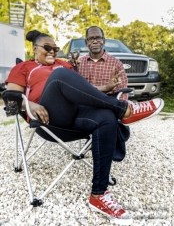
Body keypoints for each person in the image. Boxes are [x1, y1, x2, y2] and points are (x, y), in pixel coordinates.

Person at [5, 30, 164, 225]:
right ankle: (125, 110)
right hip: (47, 119)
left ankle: (99, 194)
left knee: (106, 117)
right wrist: (30, 105)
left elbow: (82, 89)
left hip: (74, 115)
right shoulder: (24, 67)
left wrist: (106, 88)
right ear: (34, 49)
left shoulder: (63, 65)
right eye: (47, 48)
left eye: (55, 49)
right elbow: (11, 99)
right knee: (61, 75)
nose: (53, 52)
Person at [77, 26, 130, 162]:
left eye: (98, 38)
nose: (95, 41)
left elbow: (123, 88)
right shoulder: (79, 63)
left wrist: (121, 107)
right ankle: (120, 130)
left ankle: (121, 114)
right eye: (91, 38)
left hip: (108, 102)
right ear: (86, 42)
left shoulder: (116, 63)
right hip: (86, 104)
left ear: (103, 40)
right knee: (108, 116)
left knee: (110, 115)